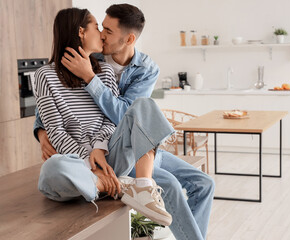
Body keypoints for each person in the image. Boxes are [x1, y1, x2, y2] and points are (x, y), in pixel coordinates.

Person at [34, 4, 215, 240]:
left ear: (129, 38)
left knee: (202, 183)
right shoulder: (80, 62)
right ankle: (121, 184)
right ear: (80, 32)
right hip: (94, 156)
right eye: (100, 27)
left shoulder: (124, 69)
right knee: (53, 168)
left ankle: (141, 184)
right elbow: (52, 118)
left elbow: (120, 117)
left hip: (133, 145)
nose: (101, 34)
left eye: (107, 30)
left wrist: (89, 78)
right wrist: (42, 131)